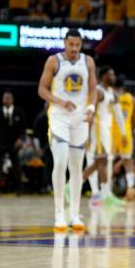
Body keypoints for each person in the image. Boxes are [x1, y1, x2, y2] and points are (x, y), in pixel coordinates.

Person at [37, 29, 97, 232]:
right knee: (60, 161)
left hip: (80, 119)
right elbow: (42, 89)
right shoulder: (54, 61)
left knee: (77, 168)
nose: (73, 49)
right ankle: (59, 213)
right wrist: (60, 101)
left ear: (81, 45)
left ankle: (74, 214)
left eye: (77, 45)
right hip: (59, 117)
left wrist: (91, 109)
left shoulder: (88, 62)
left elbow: (93, 89)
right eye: (70, 45)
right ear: (65, 43)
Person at [82, 66, 127, 207]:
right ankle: (96, 193)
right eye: (110, 74)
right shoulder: (98, 92)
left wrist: (124, 133)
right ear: (103, 76)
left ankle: (106, 193)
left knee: (106, 162)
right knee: (94, 161)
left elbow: (119, 115)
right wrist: (87, 134)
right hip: (96, 131)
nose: (113, 77)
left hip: (106, 132)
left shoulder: (111, 93)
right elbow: (90, 113)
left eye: (113, 74)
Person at [0, 91, 26, 196]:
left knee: (16, 166)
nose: (6, 100)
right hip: (1, 143)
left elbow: (23, 129)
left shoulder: (19, 112)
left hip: (14, 143)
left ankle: (19, 188)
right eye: (4, 98)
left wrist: (21, 139)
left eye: (8, 98)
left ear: (12, 100)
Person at [112, 74, 135, 201]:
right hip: (126, 132)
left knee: (105, 161)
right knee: (128, 161)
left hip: (112, 132)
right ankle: (131, 188)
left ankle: (106, 191)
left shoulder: (111, 96)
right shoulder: (131, 98)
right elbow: (134, 118)